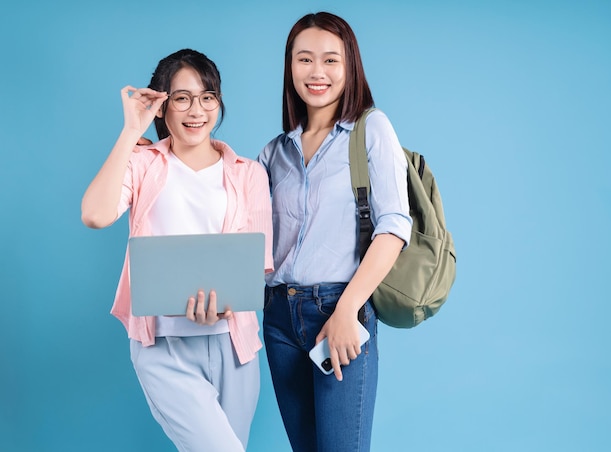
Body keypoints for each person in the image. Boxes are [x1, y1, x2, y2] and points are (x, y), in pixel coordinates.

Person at [81, 49, 273, 451]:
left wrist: (228, 301)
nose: (196, 110)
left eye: (207, 97)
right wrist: (131, 130)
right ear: (161, 105)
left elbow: (259, 264)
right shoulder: (142, 163)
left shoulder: (248, 172)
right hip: (163, 347)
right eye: (182, 98)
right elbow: (95, 215)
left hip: (234, 347)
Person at [258, 12, 412, 452]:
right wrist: (156, 148)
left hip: (339, 309)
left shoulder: (370, 130)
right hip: (279, 320)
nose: (317, 72)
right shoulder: (275, 152)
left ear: (350, 67)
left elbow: (394, 227)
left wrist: (347, 310)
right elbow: (228, 205)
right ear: (290, 67)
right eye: (304, 59)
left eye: (331, 60)